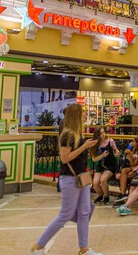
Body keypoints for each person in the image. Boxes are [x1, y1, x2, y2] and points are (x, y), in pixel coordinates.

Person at [31, 104, 102, 255]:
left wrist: (87, 145)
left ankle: (84, 248)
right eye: (82, 113)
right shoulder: (68, 134)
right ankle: (38, 246)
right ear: (76, 116)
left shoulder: (77, 134)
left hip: (81, 178)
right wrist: (84, 147)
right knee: (66, 214)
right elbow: (65, 158)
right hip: (70, 179)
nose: (84, 116)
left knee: (84, 212)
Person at [114, 136, 138, 204]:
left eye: (133, 141)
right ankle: (122, 193)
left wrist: (130, 154)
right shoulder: (134, 149)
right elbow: (131, 164)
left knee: (123, 177)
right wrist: (128, 154)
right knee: (123, 171)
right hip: (133, 167)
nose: (132, 143)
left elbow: (134, 165)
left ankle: (123, 195)